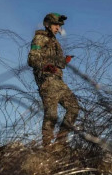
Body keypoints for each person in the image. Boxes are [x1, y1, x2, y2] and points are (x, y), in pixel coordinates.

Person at [27, 13, 80, 149]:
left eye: (59, 26)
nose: (58, 28)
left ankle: (60, 142)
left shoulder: (55, 42)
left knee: (73, 107)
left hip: (57, 80)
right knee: (52, 113)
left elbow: (55, 63)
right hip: (46, 80)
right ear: (47, 24)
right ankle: (46, 145)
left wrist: (64, 61)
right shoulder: (40, 38)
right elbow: (32, 59)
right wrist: (44, 66)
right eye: (56, 25)